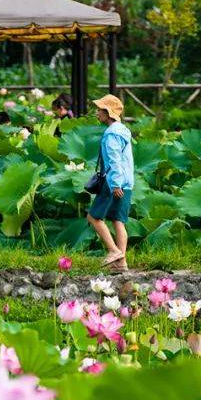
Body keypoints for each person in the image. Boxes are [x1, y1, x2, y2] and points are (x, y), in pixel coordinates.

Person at [86, 94, 133, 271]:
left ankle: (114, 251)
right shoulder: (123, 131)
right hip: (127, 182)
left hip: (113, 182)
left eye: (99, 110)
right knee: (117, 220)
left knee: (93, 217)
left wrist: (114, 185)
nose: (97, 113)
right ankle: (122, 263)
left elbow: (115, 161)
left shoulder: (112, 134)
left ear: (108, 112)